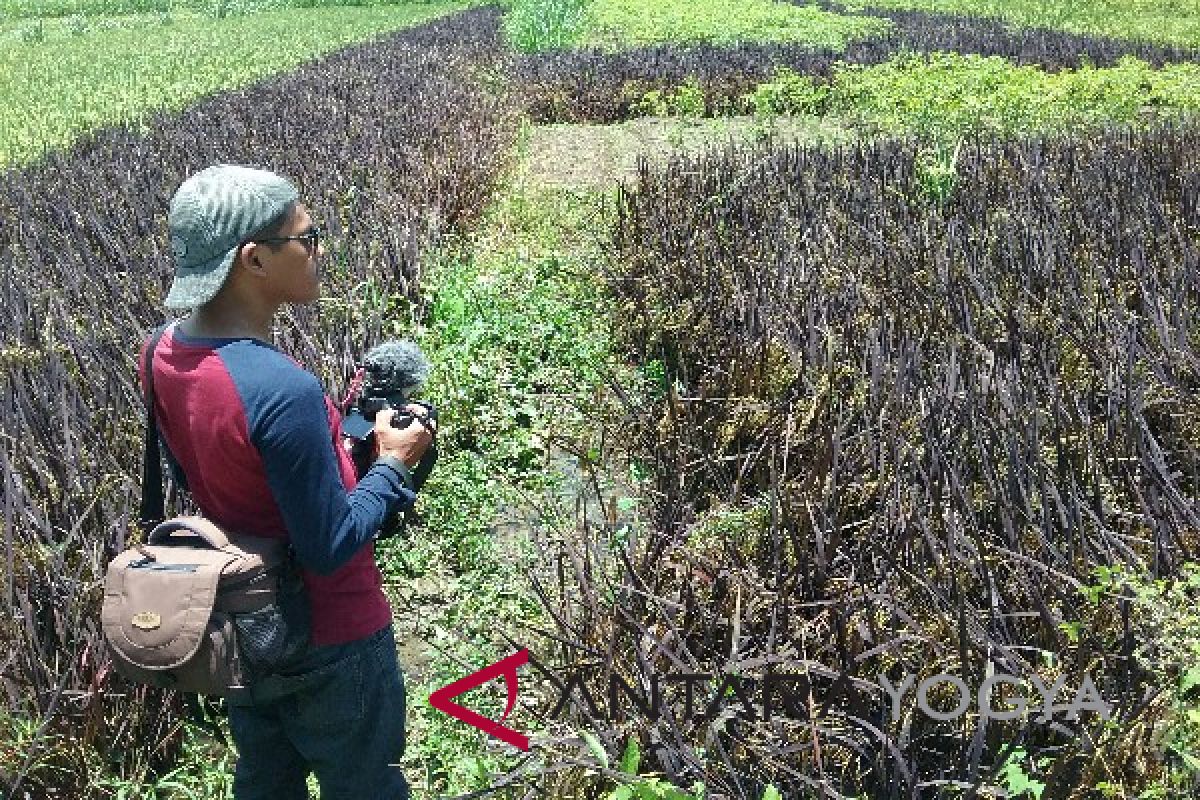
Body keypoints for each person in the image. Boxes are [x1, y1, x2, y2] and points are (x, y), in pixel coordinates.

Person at [138, 164, 433, 799]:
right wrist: (392, 462)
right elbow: (331, 544)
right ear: (254, 260)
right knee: (365, 784)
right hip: (333, 636)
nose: (321, 249)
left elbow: (210, 471)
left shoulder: (161, 353)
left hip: (246, 625)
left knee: (266, 780)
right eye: (308, 236)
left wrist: (339, 453)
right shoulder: (283, 390)